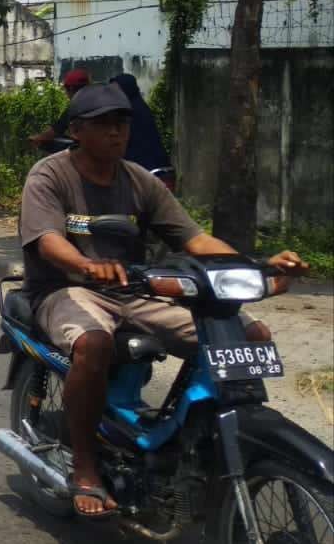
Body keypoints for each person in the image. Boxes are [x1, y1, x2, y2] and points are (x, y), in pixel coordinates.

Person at [18, 83, 307, 518]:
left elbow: (196, 239)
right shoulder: (50, 174)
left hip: (133, 289)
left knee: (246, 333)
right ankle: (85, 468)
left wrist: (259, 266)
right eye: (103, 125)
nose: (116, 133)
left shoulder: (138, 180)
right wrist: (84, 264)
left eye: (122, 123)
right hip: (64, 288)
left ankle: (205, 438)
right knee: (93, 342)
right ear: (77, 130)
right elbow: (48, 241)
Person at [109, 73, 170, 172]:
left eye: (117, 91)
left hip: (146, 169)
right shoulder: (136, 107)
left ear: (126, 89)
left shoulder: (131, 112)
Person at [28, 68, 90, 149]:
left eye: (65, 90)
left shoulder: (76, 107)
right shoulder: (98, 102)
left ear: (70, 89)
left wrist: (37, 138)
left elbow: (54, 132)